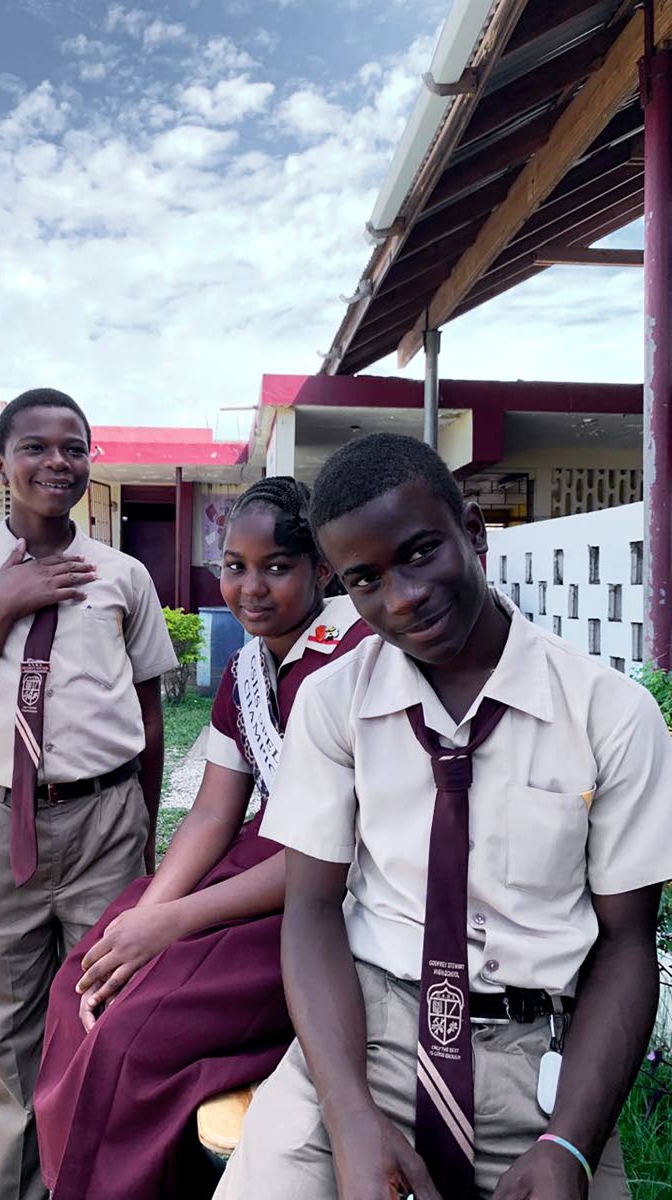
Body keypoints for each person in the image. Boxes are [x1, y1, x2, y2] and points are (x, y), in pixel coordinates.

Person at [217, 433, 672, 1200]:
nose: (401, 598)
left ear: (473, 531)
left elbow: (628, 943)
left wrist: (570, 1143)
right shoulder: (334, 704)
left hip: (539, 1064)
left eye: (420, 553)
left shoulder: (610, 715)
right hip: (368, 1039)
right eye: (366, 579)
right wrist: (349, 1116)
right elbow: (313, 910)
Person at [33, 476, 371, 1200]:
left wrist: (174, 923)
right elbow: (216, 813)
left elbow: (336, 850)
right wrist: (149, 914)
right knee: (82, 981)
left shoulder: (357, 658)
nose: (251, 588)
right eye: (235, 566)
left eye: (277, 566)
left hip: (319, 896)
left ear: (323, 570)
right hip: (252, 867)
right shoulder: (247, 667)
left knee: (134, 1033)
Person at [0, 388, 178, 1200]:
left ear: (90, 463)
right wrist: (0, 607)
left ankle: (99, 1183)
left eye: (74, 447)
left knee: (109, 1021)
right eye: (36, 447)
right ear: (0, 466)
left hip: (106, 823)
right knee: (12, 1038)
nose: (57, 461)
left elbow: (150, 718)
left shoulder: (124, 577)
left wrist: (142, 833)